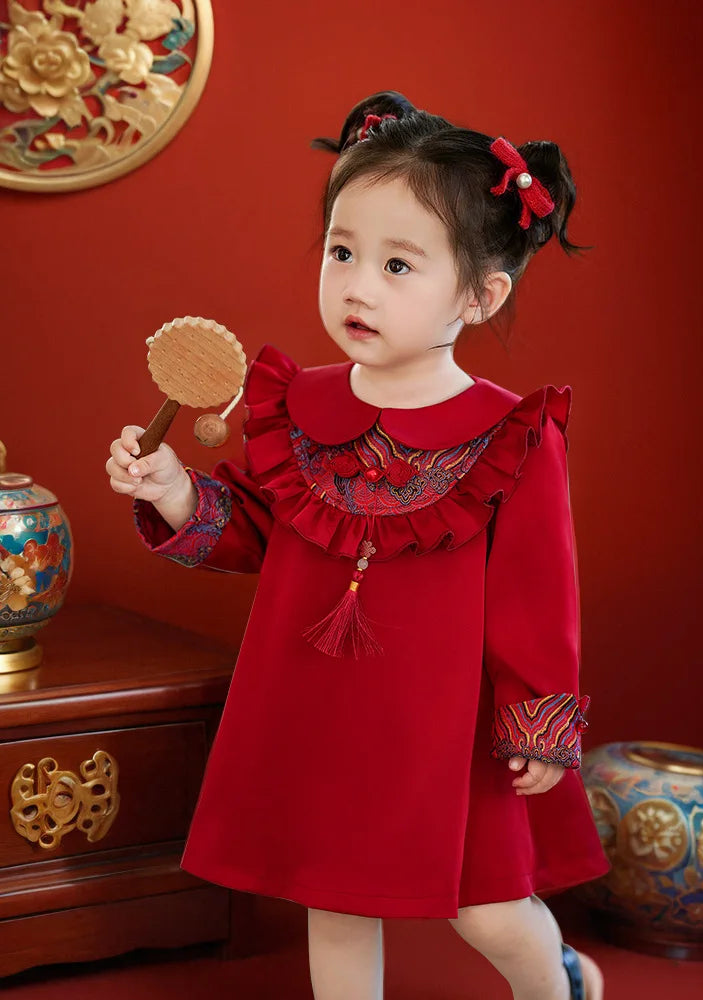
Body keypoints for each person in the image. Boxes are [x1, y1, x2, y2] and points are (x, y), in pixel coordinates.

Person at [106, 90, 610, 1000]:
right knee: (332, 895)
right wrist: (176, 491)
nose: (357, 286)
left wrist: (537, 714)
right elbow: (253, 530)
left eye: (398, 265)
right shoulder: (297, 405)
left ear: (481, 292)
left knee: (489, 907)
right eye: (342, 252)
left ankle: (560, 984)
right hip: (319, 704)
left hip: (450, 723)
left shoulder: (511, 435)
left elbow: (541, 591)